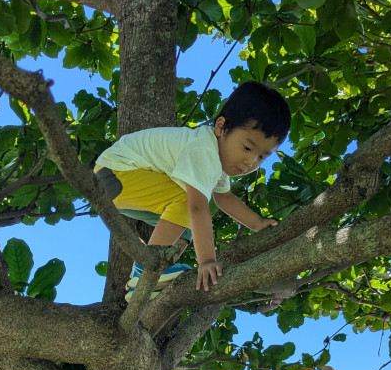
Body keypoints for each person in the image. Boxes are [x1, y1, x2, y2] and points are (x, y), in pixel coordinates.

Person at [94, 81, 290, 301]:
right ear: (221, 127)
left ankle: (149, 278)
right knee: (191, 205)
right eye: (247, 148)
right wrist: (206, 260)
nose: (250, 161)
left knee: (189, 227)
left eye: (262, 156)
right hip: (115, 173)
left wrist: (258, 224)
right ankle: (146, 270)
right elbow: (196, 207)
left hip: (120, 182)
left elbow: (224, 198)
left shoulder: (217, 164)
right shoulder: (204, 149)